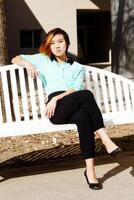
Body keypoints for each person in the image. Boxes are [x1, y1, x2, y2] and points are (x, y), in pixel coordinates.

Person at [12, 28, 121, 190]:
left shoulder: (77, 67)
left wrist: (58, 98)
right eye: (52, 42)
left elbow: (76, 89)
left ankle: (90, 172)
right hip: (56, 111)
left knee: (84, 117)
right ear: (48, 46)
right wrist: (27, 63)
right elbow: (15, 58)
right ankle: (105, 139)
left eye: (60, 41)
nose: (56, 46)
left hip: (68, 102)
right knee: (86, 95)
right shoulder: (43, 59)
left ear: (67, 43)